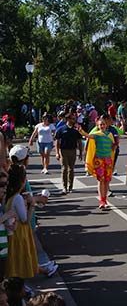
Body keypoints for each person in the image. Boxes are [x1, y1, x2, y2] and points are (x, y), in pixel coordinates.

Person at [8, 146, 57, 277]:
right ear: (25, 159)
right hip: (22, 221)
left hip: (20, 219)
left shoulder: (12, 171)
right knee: (27, 250)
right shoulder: (19, 175)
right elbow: (24, 199)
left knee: (29, 249)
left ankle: (42, 267)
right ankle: (38, 270)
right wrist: (38, 200)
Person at [4, 164, 38, 279]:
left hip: (11, 231)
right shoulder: (17, 197)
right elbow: (25, 219)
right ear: (22, 180)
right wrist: (32, 204)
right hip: (19, 233)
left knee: (13, 261)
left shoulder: (7, 195)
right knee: (21, 261)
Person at [86, 117, 115, 210]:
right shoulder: (96, 134)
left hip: (108, 160)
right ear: (98, 126)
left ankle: (105, 199)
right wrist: (81, 130)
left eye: (103, 124)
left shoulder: (110, 134)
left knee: (106, 180)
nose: (102, 126)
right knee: (100, 180)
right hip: (99, 160)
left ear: (106, 125)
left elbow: (112, 147)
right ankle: (101, 201)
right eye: (100, 125)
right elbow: (88, 136)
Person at [54, 114, 86, 194]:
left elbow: (79, 142)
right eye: (72, 119)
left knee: (71, 169)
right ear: (68, 119)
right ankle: (64, 187)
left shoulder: (76, 130)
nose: (74, 120)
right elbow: (57, 141)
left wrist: (81, 153)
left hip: (73, 150)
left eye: (74, 119)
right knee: (64, 168)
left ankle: (70, 186)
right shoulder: (61, 129)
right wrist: (57, 153)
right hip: (63, 150)